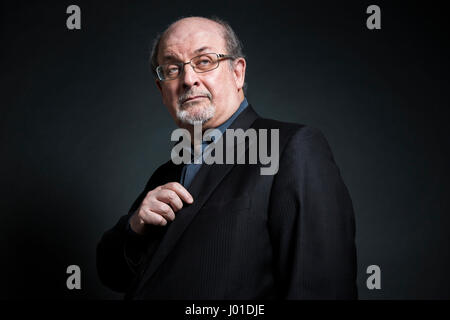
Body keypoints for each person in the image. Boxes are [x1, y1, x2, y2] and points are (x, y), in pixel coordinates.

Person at [96, 16, 358, 299]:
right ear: (162, 90)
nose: (188, 79)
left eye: (205, 61)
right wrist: (134, 228)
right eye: (172, 69)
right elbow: (112, 274)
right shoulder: (165, 175)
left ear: (238, 73)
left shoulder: (291, 148)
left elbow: (322, 289)